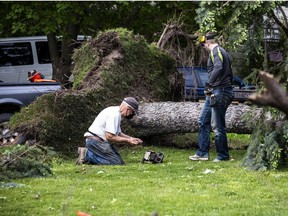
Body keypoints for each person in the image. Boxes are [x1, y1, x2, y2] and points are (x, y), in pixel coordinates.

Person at [189, 32, 234, 162]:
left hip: (221, 91)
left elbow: (219, 68)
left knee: (217, 125)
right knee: (203, 120)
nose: (204, 47)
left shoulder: (217, 51)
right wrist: (208, 90)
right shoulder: (218, 52)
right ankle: (202, 153)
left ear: (208, 42)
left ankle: (223, 156)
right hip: (214, 91)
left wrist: (209, 83)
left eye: (204, 45)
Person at [76, 97, 143, 165]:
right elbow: (109, 136)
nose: (131, 115)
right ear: (127, 109)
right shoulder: (114, 115)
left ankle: (90, 155)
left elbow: (118, 133)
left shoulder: (115, 112)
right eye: (132, 112)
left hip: (97, 141)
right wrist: (128, 141)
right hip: (96, 142)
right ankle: (87, 155)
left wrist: (131, 138)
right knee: (116, 163)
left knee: (121, 162)